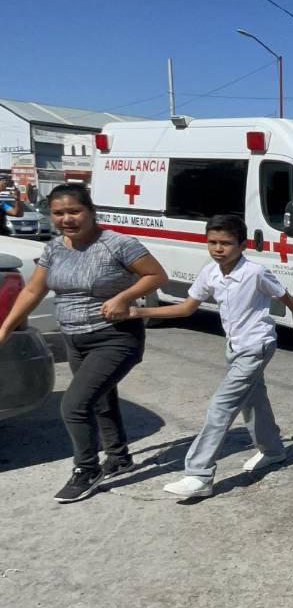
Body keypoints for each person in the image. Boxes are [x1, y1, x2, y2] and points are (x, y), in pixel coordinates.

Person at [0, 183, 168, 502]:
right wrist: (6, 326)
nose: (67, 219)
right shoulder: (54, 249)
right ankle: (118, 459)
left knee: (75, 405)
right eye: (58, 213)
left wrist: (124, 297)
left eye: (74, 211)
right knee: (101, 399)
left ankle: (86, 469)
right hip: (73, 338)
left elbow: (156, 276)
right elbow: (33, 290)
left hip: (115, 337)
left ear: (91, 211)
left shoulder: (118, 244)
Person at [129, 214, 293, 498]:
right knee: (254, 403)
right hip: (235, 348)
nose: (218, 249)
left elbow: (285, 296)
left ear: (242, 245)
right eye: (212, 242)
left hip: (257, 346)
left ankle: (199, 475)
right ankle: (274, 451)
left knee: (221, 406)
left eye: (226, 243)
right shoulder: (210, 273)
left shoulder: (255, 272)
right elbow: (186, 309)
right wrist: (140, 312)